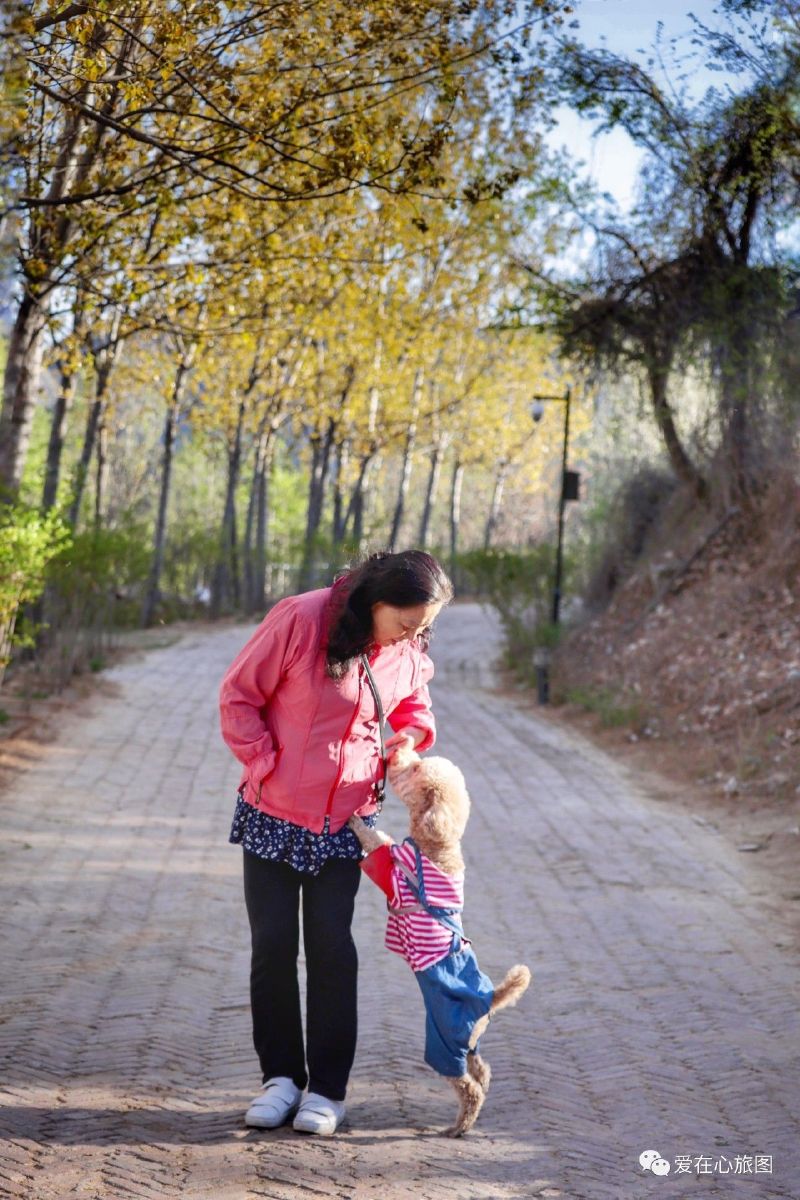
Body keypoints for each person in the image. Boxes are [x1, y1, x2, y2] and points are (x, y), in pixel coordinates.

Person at [218, 549, 453, 1136]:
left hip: (347, 822)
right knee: (272, 946)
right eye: (406, 623)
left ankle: (327, 1090)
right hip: (273, 813)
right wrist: (266, 766)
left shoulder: (405, 647)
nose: (413, 636)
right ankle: (280, 1079)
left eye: (423, 628)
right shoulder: (302, 618)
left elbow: (415, 707)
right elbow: (239, 695)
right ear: (376, 601)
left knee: (331, 950)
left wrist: (407, 739)